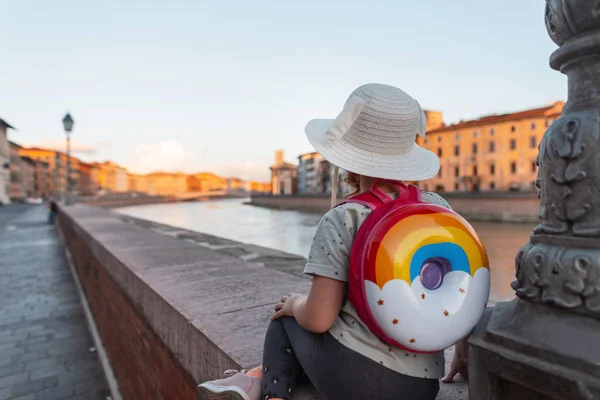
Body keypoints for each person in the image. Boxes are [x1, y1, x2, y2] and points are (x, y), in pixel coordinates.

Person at [197, 83, 469, 400]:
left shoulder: (345, 217)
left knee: (286, 323)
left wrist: (295, 303)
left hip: (355, 384)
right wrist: (463, 348)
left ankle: (271, 392)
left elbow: (318, 318)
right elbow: (461, 289)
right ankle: (254, 376)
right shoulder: (438, 208)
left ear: (348, 160)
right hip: (421, 387)